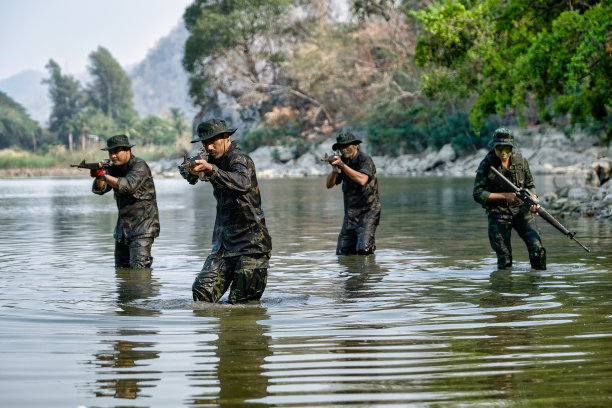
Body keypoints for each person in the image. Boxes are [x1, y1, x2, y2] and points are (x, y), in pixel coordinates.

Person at [184, 119, 272, 304]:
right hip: (224, 245)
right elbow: (188, 175)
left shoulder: (239, 159)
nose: (208, 147)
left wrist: (212, 170)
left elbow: (243, 183)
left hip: (251, 245)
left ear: (227, 137)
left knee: (242, 305)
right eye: (205, 143)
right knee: (201, 294)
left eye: (213, 141)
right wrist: (192, 170)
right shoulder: (212, 159)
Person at [473, 127, 546, 270]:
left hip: (522, 211)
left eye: (507, 148)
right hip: (498, 214)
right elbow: (477, 193)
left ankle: (538, 287)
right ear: (494, 147)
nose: (503, 152)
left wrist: (533, 198)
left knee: (537, 249)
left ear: (512, 147)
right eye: (499, 148)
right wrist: (505, 196)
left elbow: (530, 184)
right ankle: (504, 289)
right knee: (504, 260)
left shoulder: (521, 161)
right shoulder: (486, 165)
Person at [91, 134, 160, 268]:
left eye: (116, 151)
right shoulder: (112, 168)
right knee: (121, 271)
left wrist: (104, 176)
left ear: (128, 150)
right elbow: (99, 190)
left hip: (143, 228)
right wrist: (100, 176)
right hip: (122, 231)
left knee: (139, 271)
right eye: (110, 152)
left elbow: (127, 186)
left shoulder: (139, 166)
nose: (113, 156)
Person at [325, 132, 380, 255]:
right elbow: (329, 185)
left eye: (347, 146)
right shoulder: (343, 162)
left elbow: (362, 180)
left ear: (356, 145)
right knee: (342, 252)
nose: (344, 150)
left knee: (364, 250)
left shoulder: (364, 159)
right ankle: (351, 273)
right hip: (350, 214)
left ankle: (368, 272)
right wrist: (335, 171)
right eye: (341, 147)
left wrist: (342, 165)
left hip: (368, 211)